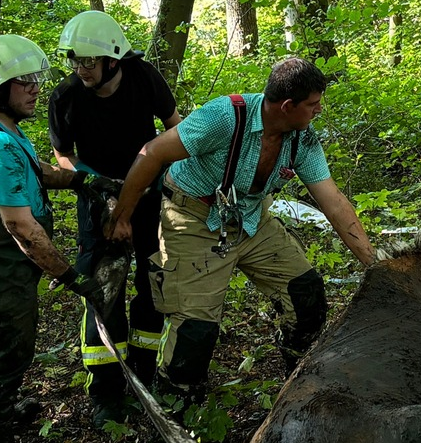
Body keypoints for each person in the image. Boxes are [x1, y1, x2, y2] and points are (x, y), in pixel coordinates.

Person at [106, 57, 376, 399]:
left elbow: (333, 202)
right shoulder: (224, 117)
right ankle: (176, 413)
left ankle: (297, 379)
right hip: (193, 219)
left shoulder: (301, 140)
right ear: (287, 106)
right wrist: (123, 216)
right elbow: (153, 153)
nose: (318, 111)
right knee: (194, 332)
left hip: (249, 218)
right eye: (313, 104)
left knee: (306, 296)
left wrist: (374, 265)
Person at [0, 34, 118, 443]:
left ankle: (2, 409)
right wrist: (75, 279)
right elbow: (23, 230)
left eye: (37, 79)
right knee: (2, 355)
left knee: (8, 346)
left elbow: (35, 170)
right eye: (24, 81)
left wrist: (82, 179)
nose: (35, 89)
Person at [48, 10, 182, 428]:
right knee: (104, 291)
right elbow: (63, 155)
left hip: (149, 196)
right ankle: (106, 391)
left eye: (89, 61)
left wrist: (164, 184)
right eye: (75, 60)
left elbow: (175, 128)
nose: (81, 69)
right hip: (95, 201)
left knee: (152, 282)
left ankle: (144, 373)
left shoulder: (145, 79)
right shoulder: (65, 97)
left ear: (113, 59)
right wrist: (100, 193)